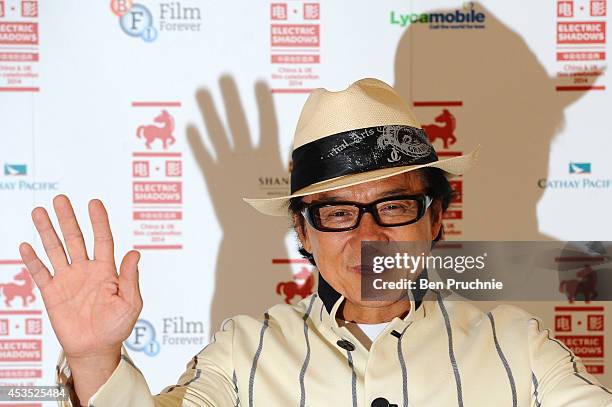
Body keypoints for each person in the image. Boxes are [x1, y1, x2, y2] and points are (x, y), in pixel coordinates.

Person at [19, 78, 612, 406]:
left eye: (395, 206)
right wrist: (94, 359)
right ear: (302, 231)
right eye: (336, 213)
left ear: (435, 221)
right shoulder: (242, 354)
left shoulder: (519, 346)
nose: (369, 237)